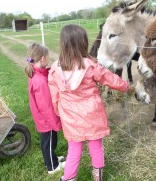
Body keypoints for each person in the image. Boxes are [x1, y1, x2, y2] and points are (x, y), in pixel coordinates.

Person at [48, 24, 131, 181]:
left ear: (63, 43)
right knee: (96, 147)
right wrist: (126, 86)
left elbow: (54, 93)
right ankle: (97, 177)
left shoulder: (55, 68)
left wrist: (58, 109)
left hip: (70, 115)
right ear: (83, 43)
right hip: (92, 114)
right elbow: (110, 78)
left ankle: (68, 178)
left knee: (74, 149)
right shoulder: (90, 65)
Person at [24, 43, 65, 175]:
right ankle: (52, 167)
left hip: (43, 118)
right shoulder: (40, 81)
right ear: (42, 58)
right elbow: (46, 107)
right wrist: (55, 122)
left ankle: (52, 159)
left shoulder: (37, 74)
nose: (49, 58)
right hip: (47, 119)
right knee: (48, 142)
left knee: (48, 141)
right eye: (48, 56)